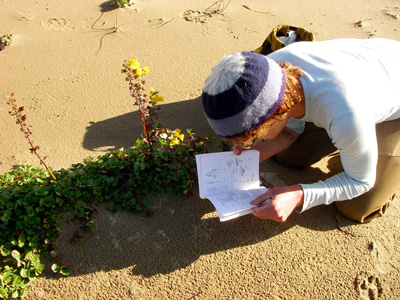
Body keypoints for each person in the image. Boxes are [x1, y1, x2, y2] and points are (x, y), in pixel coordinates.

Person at [201, 38, 400, 223]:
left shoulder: (346, 114)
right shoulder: (261, 73)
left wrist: (299, 195)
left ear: (280, 111)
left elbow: (361, 181)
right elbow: (291, 127)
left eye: (254, 136)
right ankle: (355, 147)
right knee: (290, 156)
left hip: (391, 105)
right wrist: (253, 154)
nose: (250, 142)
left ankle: (375, 157)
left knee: (357, 206)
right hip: (362, 79)